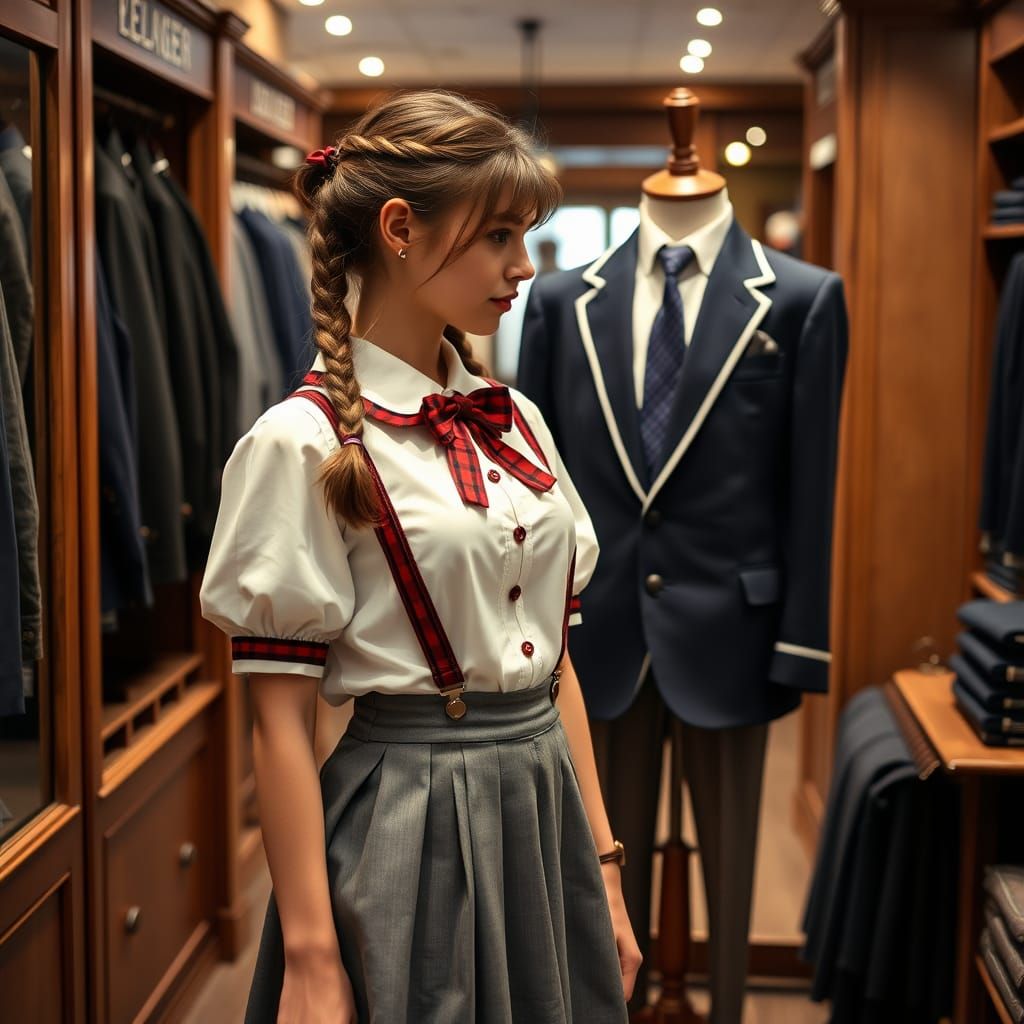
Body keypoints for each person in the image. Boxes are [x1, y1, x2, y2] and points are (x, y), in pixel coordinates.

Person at [200, 89, 641, 1024]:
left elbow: (557, 662)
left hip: (544, 809)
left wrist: (604, 866)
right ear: (400, 230)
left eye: (527, 238)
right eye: (500, 238)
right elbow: (277, 724)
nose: (525, 268)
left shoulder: (516, 420)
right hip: (410, 815)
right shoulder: (301, 443)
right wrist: (314, 962)